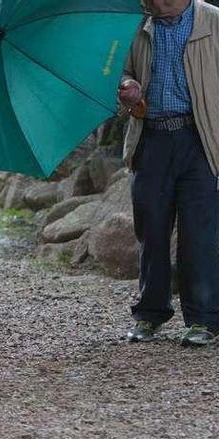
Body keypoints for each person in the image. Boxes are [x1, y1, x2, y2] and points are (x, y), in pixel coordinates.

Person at [118, 0, 219, 345]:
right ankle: (150, 314)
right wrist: (127, 85)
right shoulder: (138, 26)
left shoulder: (213, 22)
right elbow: (120, 70)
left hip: (200, 139)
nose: (147, 2)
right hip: (151, 139)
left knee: (200, 233)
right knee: (151, 228)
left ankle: (203, 321)